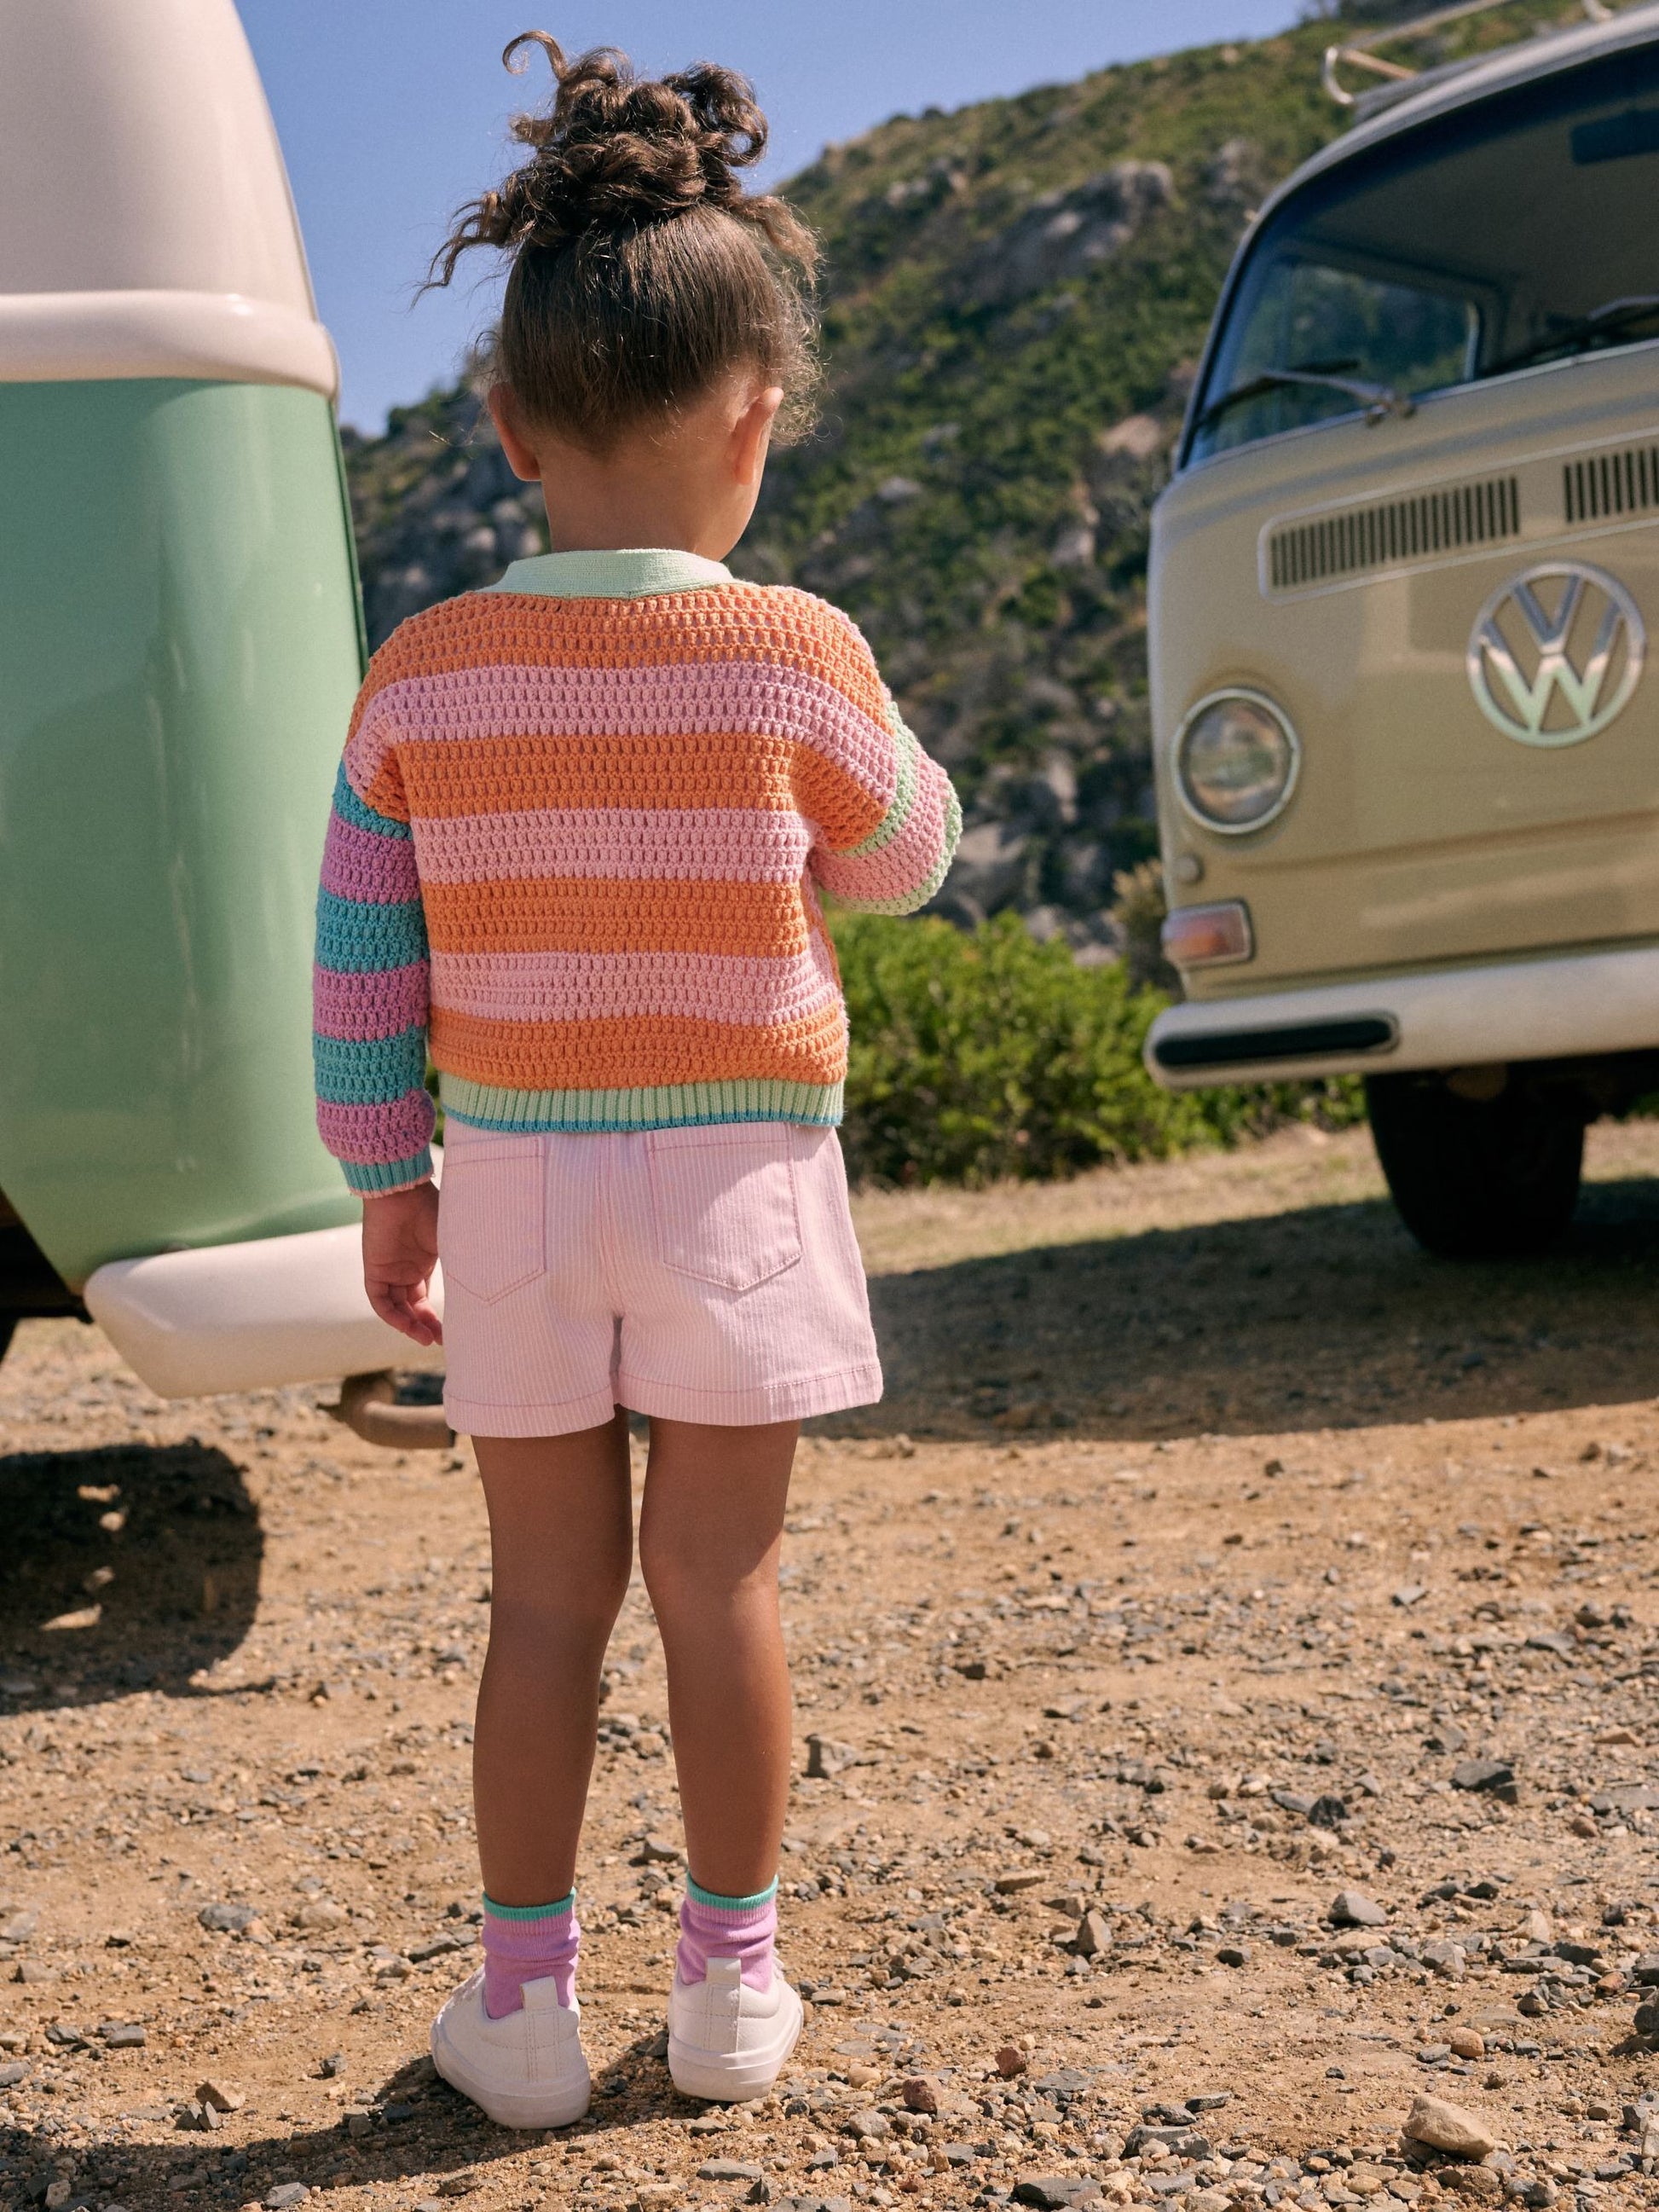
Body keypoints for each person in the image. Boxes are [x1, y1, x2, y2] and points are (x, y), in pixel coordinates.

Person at [311, 32, 960, 2129]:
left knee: (542, 1601)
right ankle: (728, 1985)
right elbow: (904, 860)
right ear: (758, 415)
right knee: (722, 1584)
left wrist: (387, 1175)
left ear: (507, 427)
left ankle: (519, 2009)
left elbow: (361, 961)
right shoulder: (794, 647)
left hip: (511, 1177)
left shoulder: (420, 675)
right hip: (740, 1183)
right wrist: (869, 723)